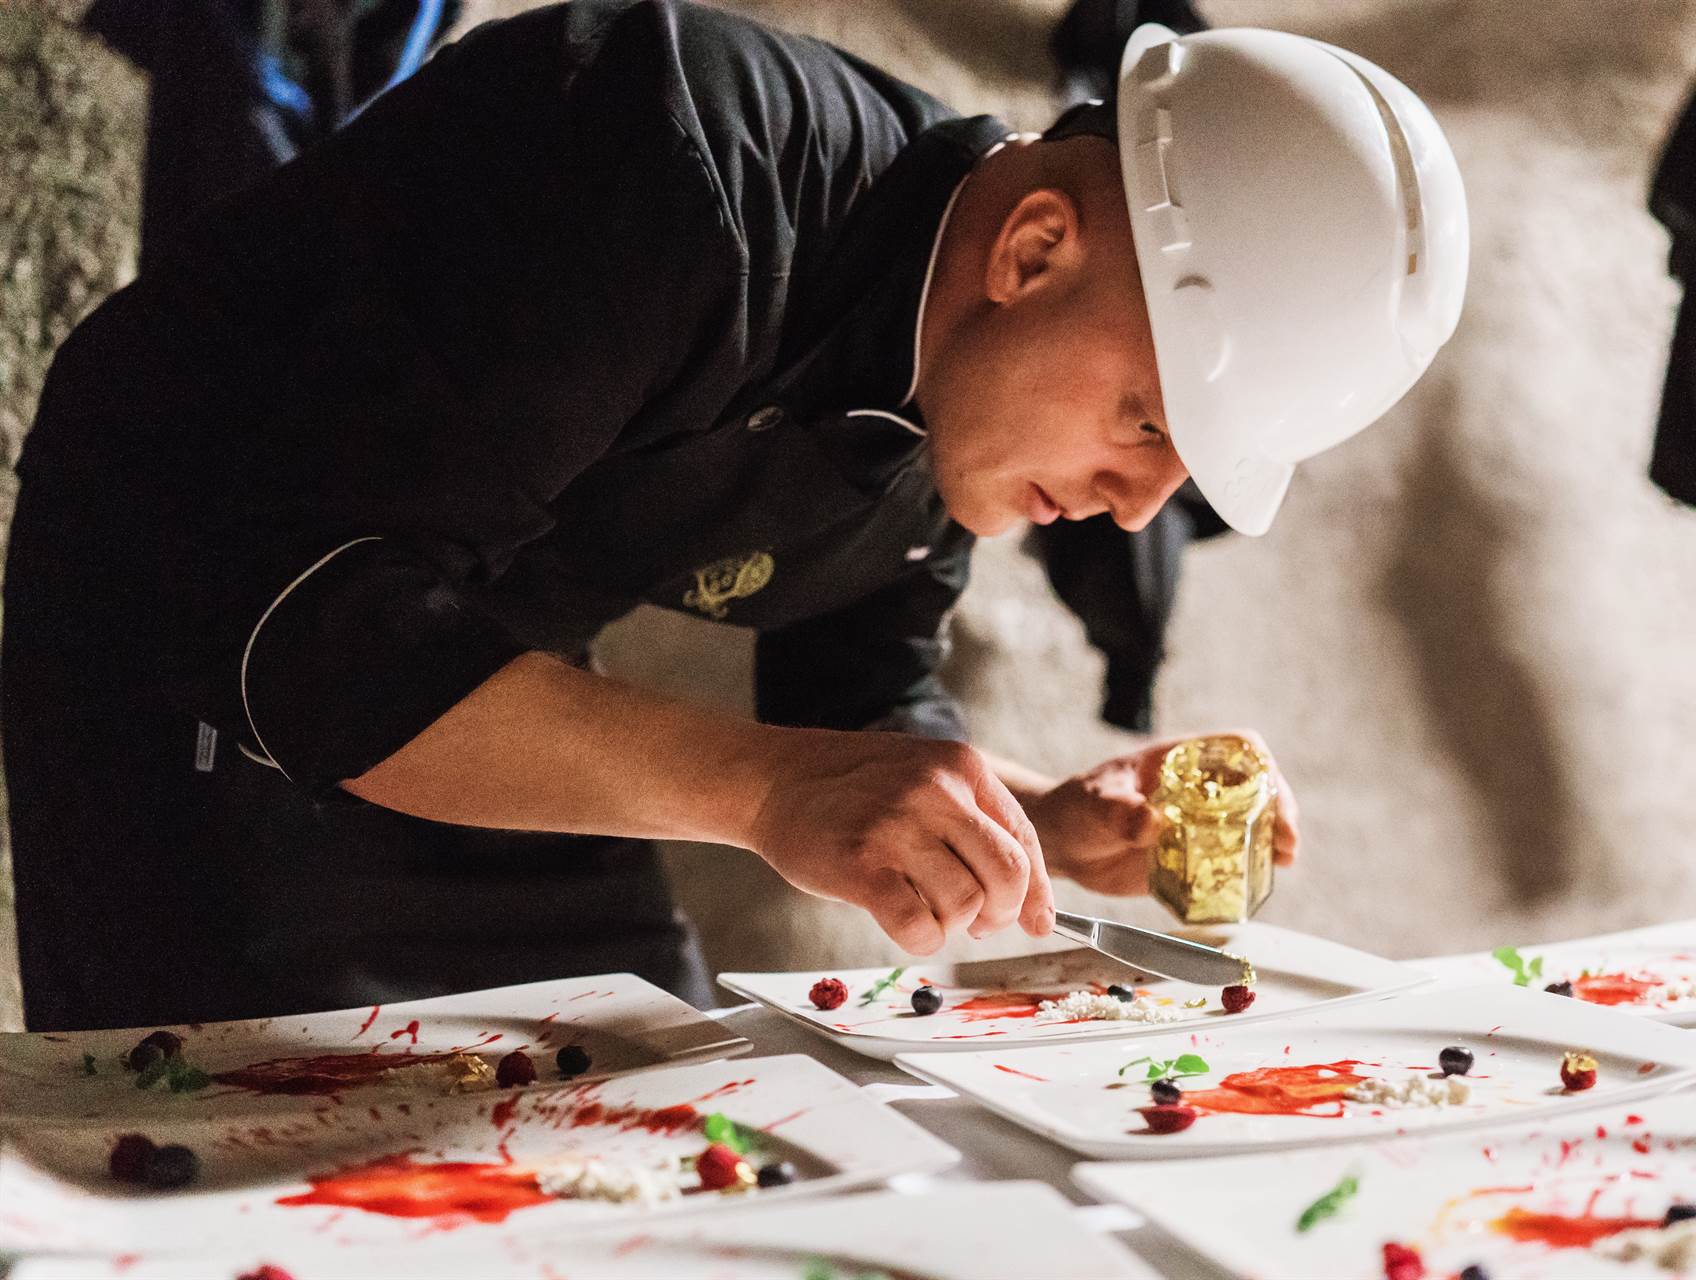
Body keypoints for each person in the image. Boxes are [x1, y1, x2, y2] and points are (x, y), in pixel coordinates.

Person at [3, 1, 1466, 1032]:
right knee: (268, 1199)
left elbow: (856, 697)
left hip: (490, 689)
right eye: (1149, 421)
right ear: (1034, 250)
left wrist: (1040, 816)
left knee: (662, 1130)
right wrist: (766, 793)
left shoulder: (951, 391)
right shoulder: (663, 159)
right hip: (197, 651)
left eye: (1183, 470)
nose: (1135, 500)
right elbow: (322, 633)